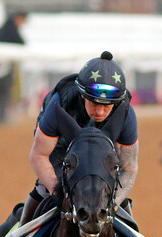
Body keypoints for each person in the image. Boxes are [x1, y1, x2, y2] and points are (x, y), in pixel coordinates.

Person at [20, 51, 139, 225]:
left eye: (107, 107)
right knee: (43, 190)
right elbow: (39, 156)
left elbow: (129, 168)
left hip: (102, 155)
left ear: (117, 102)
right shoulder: (59, 105)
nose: (99, 112)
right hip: (62, 150)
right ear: (82, 94)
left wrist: (112, 204)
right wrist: (60, 194)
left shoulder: (126, 114)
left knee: (121, 212)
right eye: (94, 103)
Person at [0, 11, 27, 123]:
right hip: (5, 66)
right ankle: (1, 115)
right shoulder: (12, 31)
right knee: (4, 91)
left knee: (0, 91)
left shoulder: (3, 29)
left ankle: (0, 114)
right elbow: (22, 43)